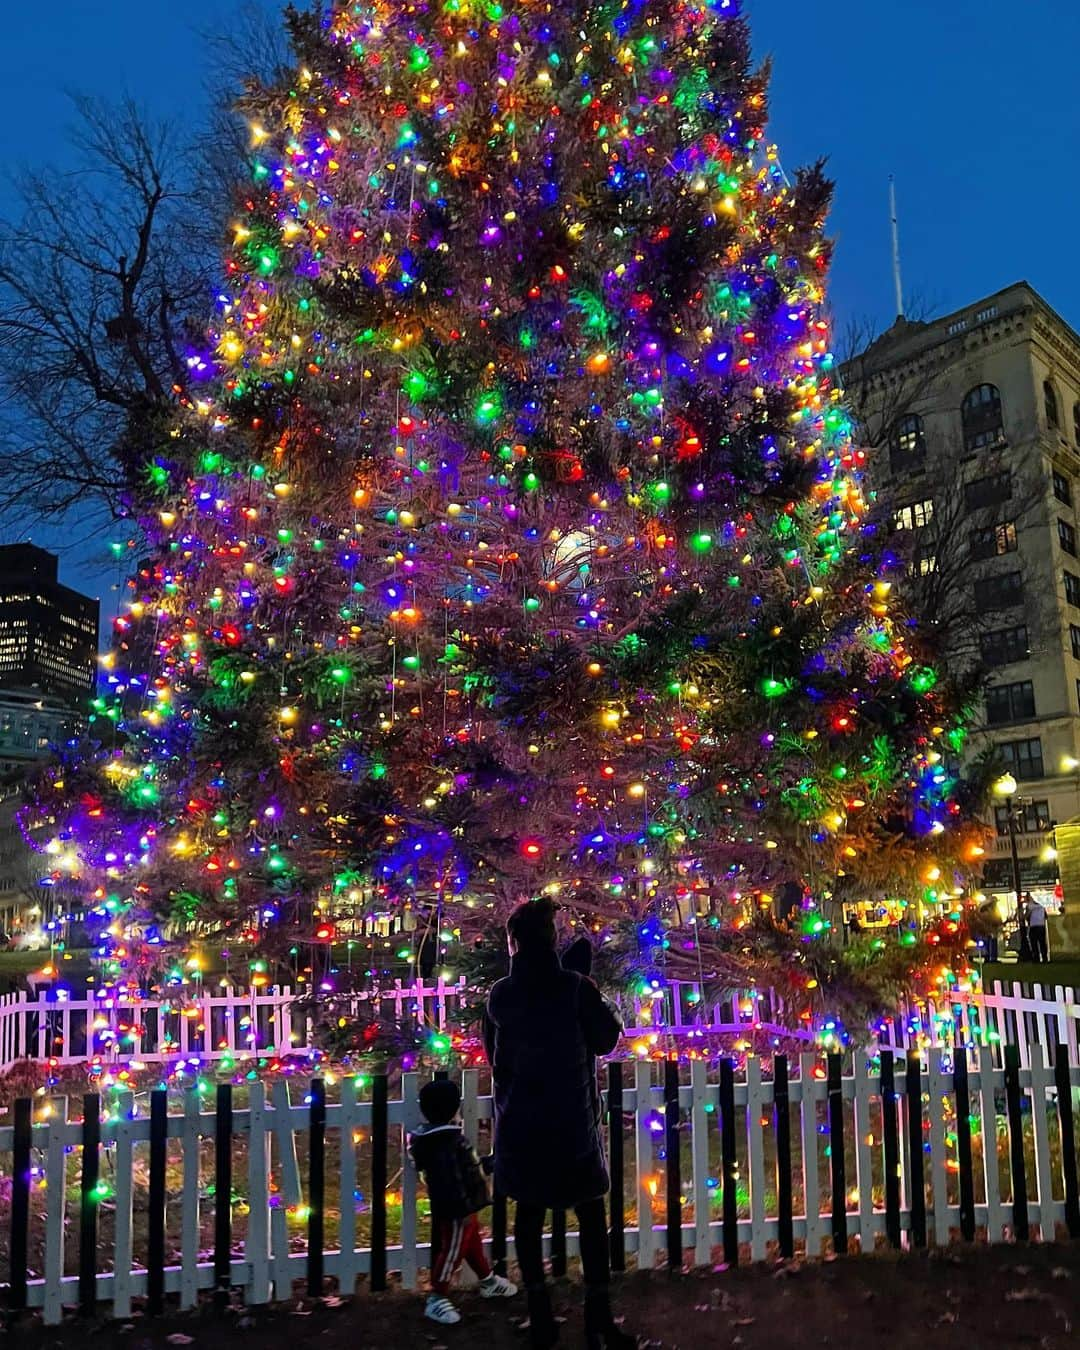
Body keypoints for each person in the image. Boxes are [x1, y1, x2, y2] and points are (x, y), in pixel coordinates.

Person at [485, 898, 636, 1350]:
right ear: (552, 940)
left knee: (528, 1219)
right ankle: (597, 1320)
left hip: (521, 1126)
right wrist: (589, 988)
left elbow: (494, 1057)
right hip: (572, 1123)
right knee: (590, 1216)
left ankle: (541, 1317)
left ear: (513, 943)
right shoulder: (575, 988)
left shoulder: (501, 995)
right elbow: (607, 1039)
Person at [409, 1077, 517, 1325]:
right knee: (453, 1252)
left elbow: (469, 1168)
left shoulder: (447, 1140)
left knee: (472, 1246)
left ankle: (488, 1281)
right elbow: (452, 1180)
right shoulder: (445, 1144)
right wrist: (463, 1209)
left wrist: (491, 1163)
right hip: (458, 1209)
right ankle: (437, 1297)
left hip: (466, 1206)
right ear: (452, 1109)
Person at [1024, 892, 1049, 963]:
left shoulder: (1029, 906)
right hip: (1041, 925)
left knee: (1034, 943)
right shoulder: (1041, 906)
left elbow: (1027, 916)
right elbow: (1046, 916)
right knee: (1042, 943)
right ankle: (1045, 958)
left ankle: (1036, 958)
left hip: (1034, 926)